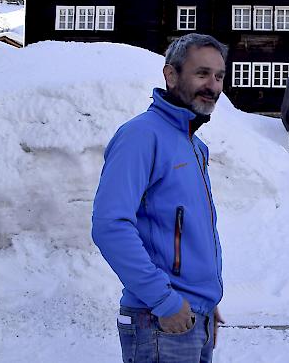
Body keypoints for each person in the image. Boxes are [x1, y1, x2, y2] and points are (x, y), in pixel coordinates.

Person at [92, 33, 227, 363]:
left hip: (196, 316)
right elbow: (110, 226)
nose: (213, 85)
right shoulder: (141, 136)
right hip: (158, 320)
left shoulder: (195, 145)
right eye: (202, 73)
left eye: (220, 76)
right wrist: (166, 301)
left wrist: (206, 301)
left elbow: (182, 228)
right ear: (171, 75)